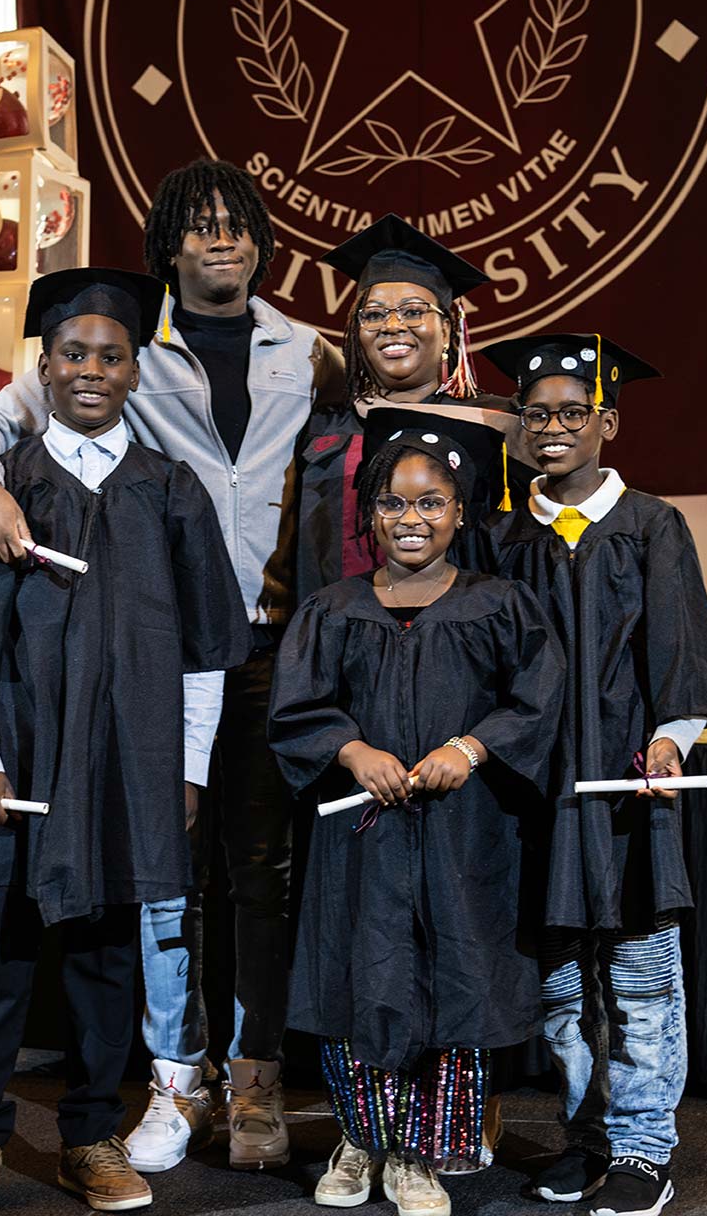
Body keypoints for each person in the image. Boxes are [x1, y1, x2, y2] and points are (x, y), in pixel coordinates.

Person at [0, 159, 340, 1174]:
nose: (222, 242)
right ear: (169, 244)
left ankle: (254, 1082)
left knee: (262, 876)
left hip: (270, 647)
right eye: (200, 226)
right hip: (156, 652)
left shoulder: (306, 351)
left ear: (260, 240)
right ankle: (174, 1077)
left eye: (238, 226)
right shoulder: (123, 333)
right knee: (162, 887)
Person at [0, 269, 250, 1216]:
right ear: (45, 365)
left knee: (109, 953)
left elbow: (203, 656)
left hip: (129, 763)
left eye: (112, 356)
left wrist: (184, 771)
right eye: (74, 355)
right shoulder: (5, 491)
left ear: (136, 371)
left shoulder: (171, 492)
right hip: (22, 760)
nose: (92, 371)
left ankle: (91, 1134)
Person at [269, 424, 564, 1216]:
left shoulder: (499, 605)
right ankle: (358, 1140)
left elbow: (537, 699)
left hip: (463, 840)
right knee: (357, 981)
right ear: (369, 514)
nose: (412, 517)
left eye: (431, 502)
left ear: (460, 513)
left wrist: (471, 746)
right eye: (393, 502)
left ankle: (419, 1156)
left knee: (453, 984)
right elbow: (297, 707)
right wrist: (351, 748)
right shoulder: (331, 610)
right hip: (361, 844)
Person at [481, 334, 707, 1216]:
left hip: (627, 790)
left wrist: (671, 741)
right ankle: (585, 1137)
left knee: (638, 980)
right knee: (557, 986)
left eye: (571, 413)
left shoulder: (652, 526)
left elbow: (684, 654)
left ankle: (641, 1147)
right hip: (536, 795)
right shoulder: (505, 537)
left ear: (607, 424)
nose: (551, 428)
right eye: (535, 413)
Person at [296, 214, 526, 604]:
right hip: (337, 633)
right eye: (373, 315)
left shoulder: (495, 422)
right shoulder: (320, 426)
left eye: (413, 311)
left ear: (449, 332)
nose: (392, 325)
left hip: (459, 635)